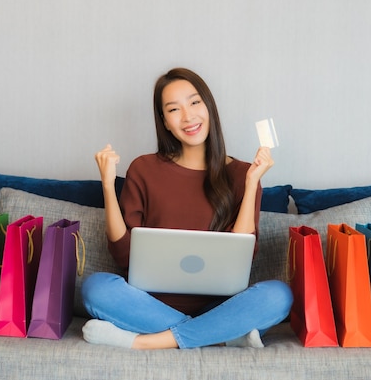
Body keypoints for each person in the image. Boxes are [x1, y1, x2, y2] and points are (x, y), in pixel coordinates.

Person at [81, 67, 293, 350]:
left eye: (194, 103)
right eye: (173, 109)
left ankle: (145, 343)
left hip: (223, 306)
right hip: (150, 304)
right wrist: (108, 185)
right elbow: (123, 255)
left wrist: (252, 183)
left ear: (209, 107)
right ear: (164, 122)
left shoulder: (245, 173)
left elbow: (244, 254)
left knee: (279, 295)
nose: (188, 116)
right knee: (95, 289)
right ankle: (221, 337)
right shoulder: (144, 169)